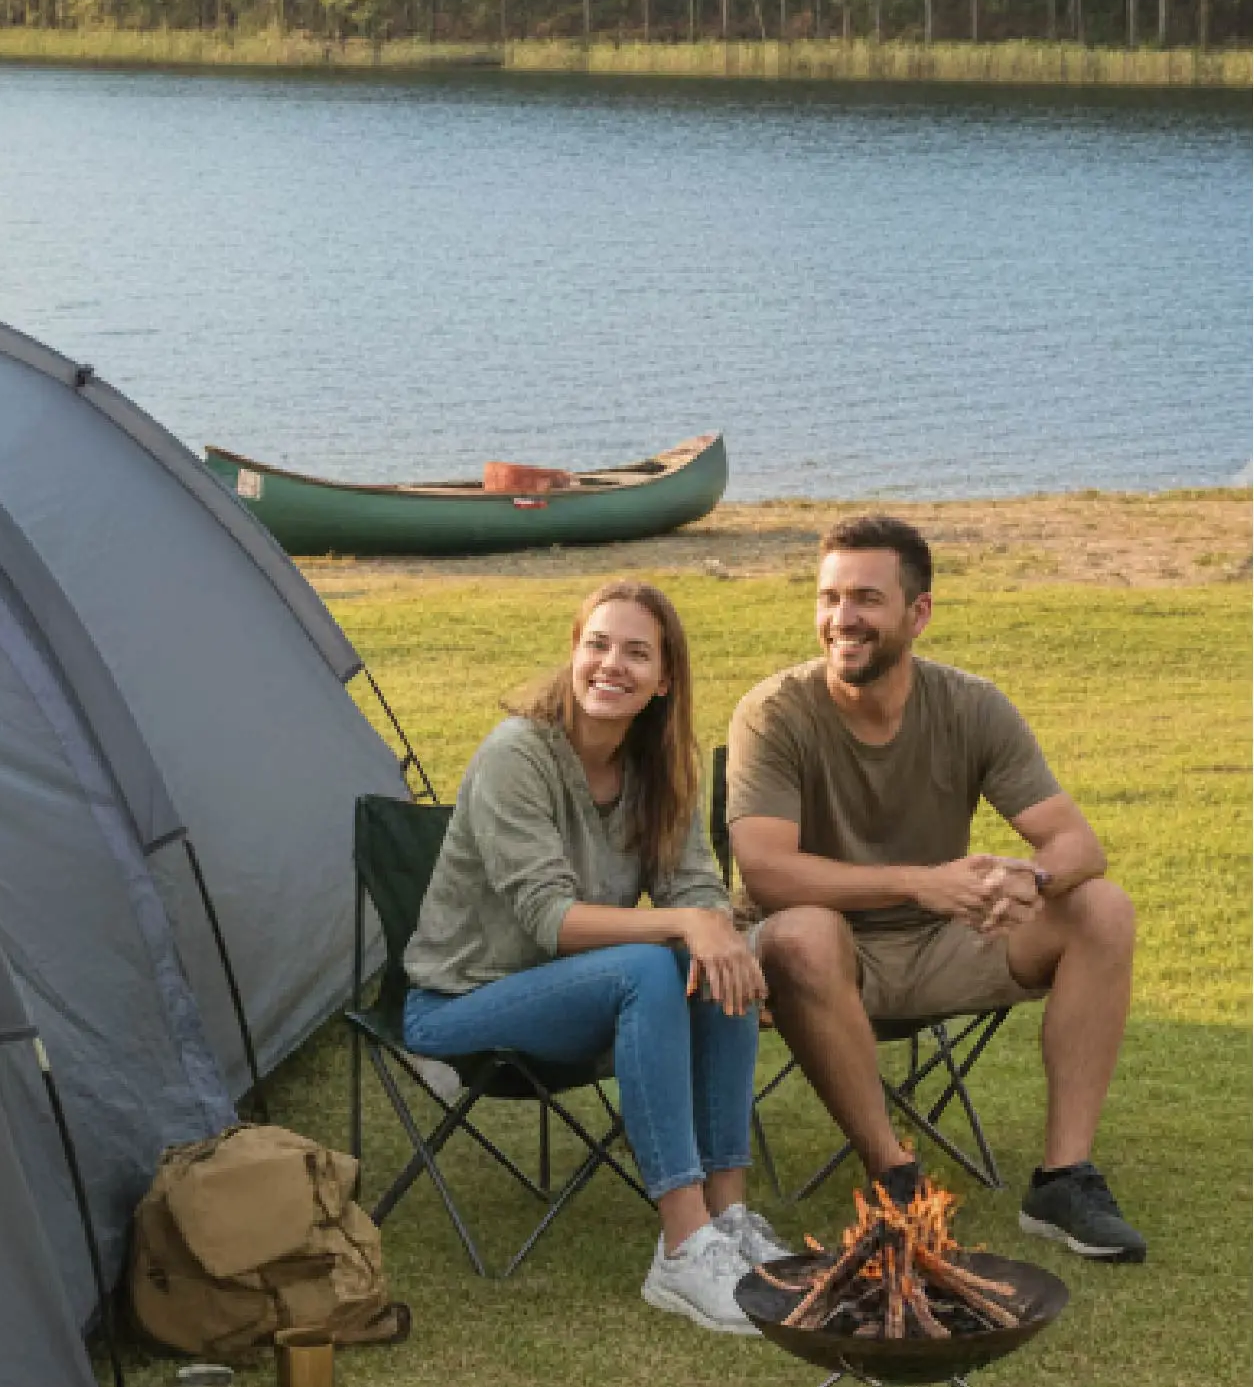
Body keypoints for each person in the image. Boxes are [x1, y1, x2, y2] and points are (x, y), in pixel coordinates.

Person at [726, 513, 1144, 1261]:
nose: (841, 619)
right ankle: (894, 1176)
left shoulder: (971, 706)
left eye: (865, 599)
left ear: (918, 613)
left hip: (943, 946)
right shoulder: (776, 713)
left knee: (1101, 910)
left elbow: (1079, 843)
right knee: (802, 931)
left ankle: (1063, 1179)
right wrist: (921, 883)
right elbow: (765, 871)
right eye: (828, 598)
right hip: (815, 964)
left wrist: (1031, 877)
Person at [400, 580, 784, 1334]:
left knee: (711, 959)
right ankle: (681, 1248)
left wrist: (715, 932)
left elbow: (700, 888)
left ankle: (728, 1216)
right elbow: (549, 920)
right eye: (597, 645)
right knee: (656, 960)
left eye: (637, 653)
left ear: (664, 678)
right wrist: (688, 924)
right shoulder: (520, 755)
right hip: (462, 1005)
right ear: (573, 653)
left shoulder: (658, 769)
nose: (612, 665)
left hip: (567, 997)